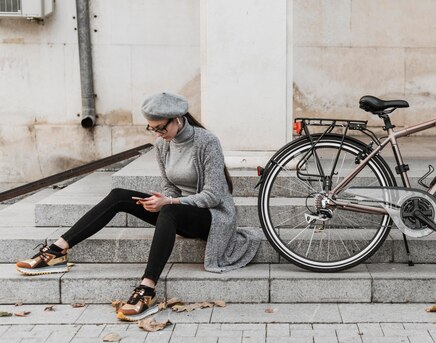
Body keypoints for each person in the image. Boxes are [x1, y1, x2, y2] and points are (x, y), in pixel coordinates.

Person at [16, 92, 261, 321]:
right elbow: (170, 187)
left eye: (160, 128)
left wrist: (170, 202)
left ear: (177, 119)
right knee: (119, 196)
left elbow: (214, 196)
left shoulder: (207, 142)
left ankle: (147, 289)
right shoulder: (163, 145)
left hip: (213, 217)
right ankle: (57, 251)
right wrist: (160, 200)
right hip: (179, 211)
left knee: (169, 209)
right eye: (151, 128)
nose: (157, 134)